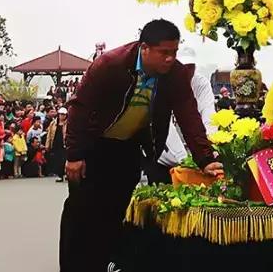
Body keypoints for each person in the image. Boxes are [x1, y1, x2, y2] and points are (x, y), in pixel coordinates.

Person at [59, 19, 222, 272]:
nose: (170, 59)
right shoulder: (109, 65)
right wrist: (74, 154)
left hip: (129, 148)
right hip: (94, 147)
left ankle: (104, 265)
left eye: (174, 52)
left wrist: (205, 158)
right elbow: (80, 108)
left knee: (115, 212)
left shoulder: (176, 75)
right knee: (82, 212)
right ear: (144, 48)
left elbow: (188, 115)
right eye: (164, 53)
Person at [157, 43, 216, 181]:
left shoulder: (201, 83)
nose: (187, 70)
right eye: (183, 66)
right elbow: (165, 126)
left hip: (195, 155)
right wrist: (183, 159)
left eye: (191, 66)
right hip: (164, 156)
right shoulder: (162, 82)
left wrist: (210, 150)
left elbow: (208, 115)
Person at [46, 107, 68, 181]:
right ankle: (60, 175)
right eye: (61, 114)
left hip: (64, 144)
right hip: (56, 143)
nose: (62, 116)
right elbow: (49, 135)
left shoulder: (68, 123)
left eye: (63, 114)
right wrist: (47, 145)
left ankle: (66, 174)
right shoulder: (53, 123)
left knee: (64, 160)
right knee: (57, 160)